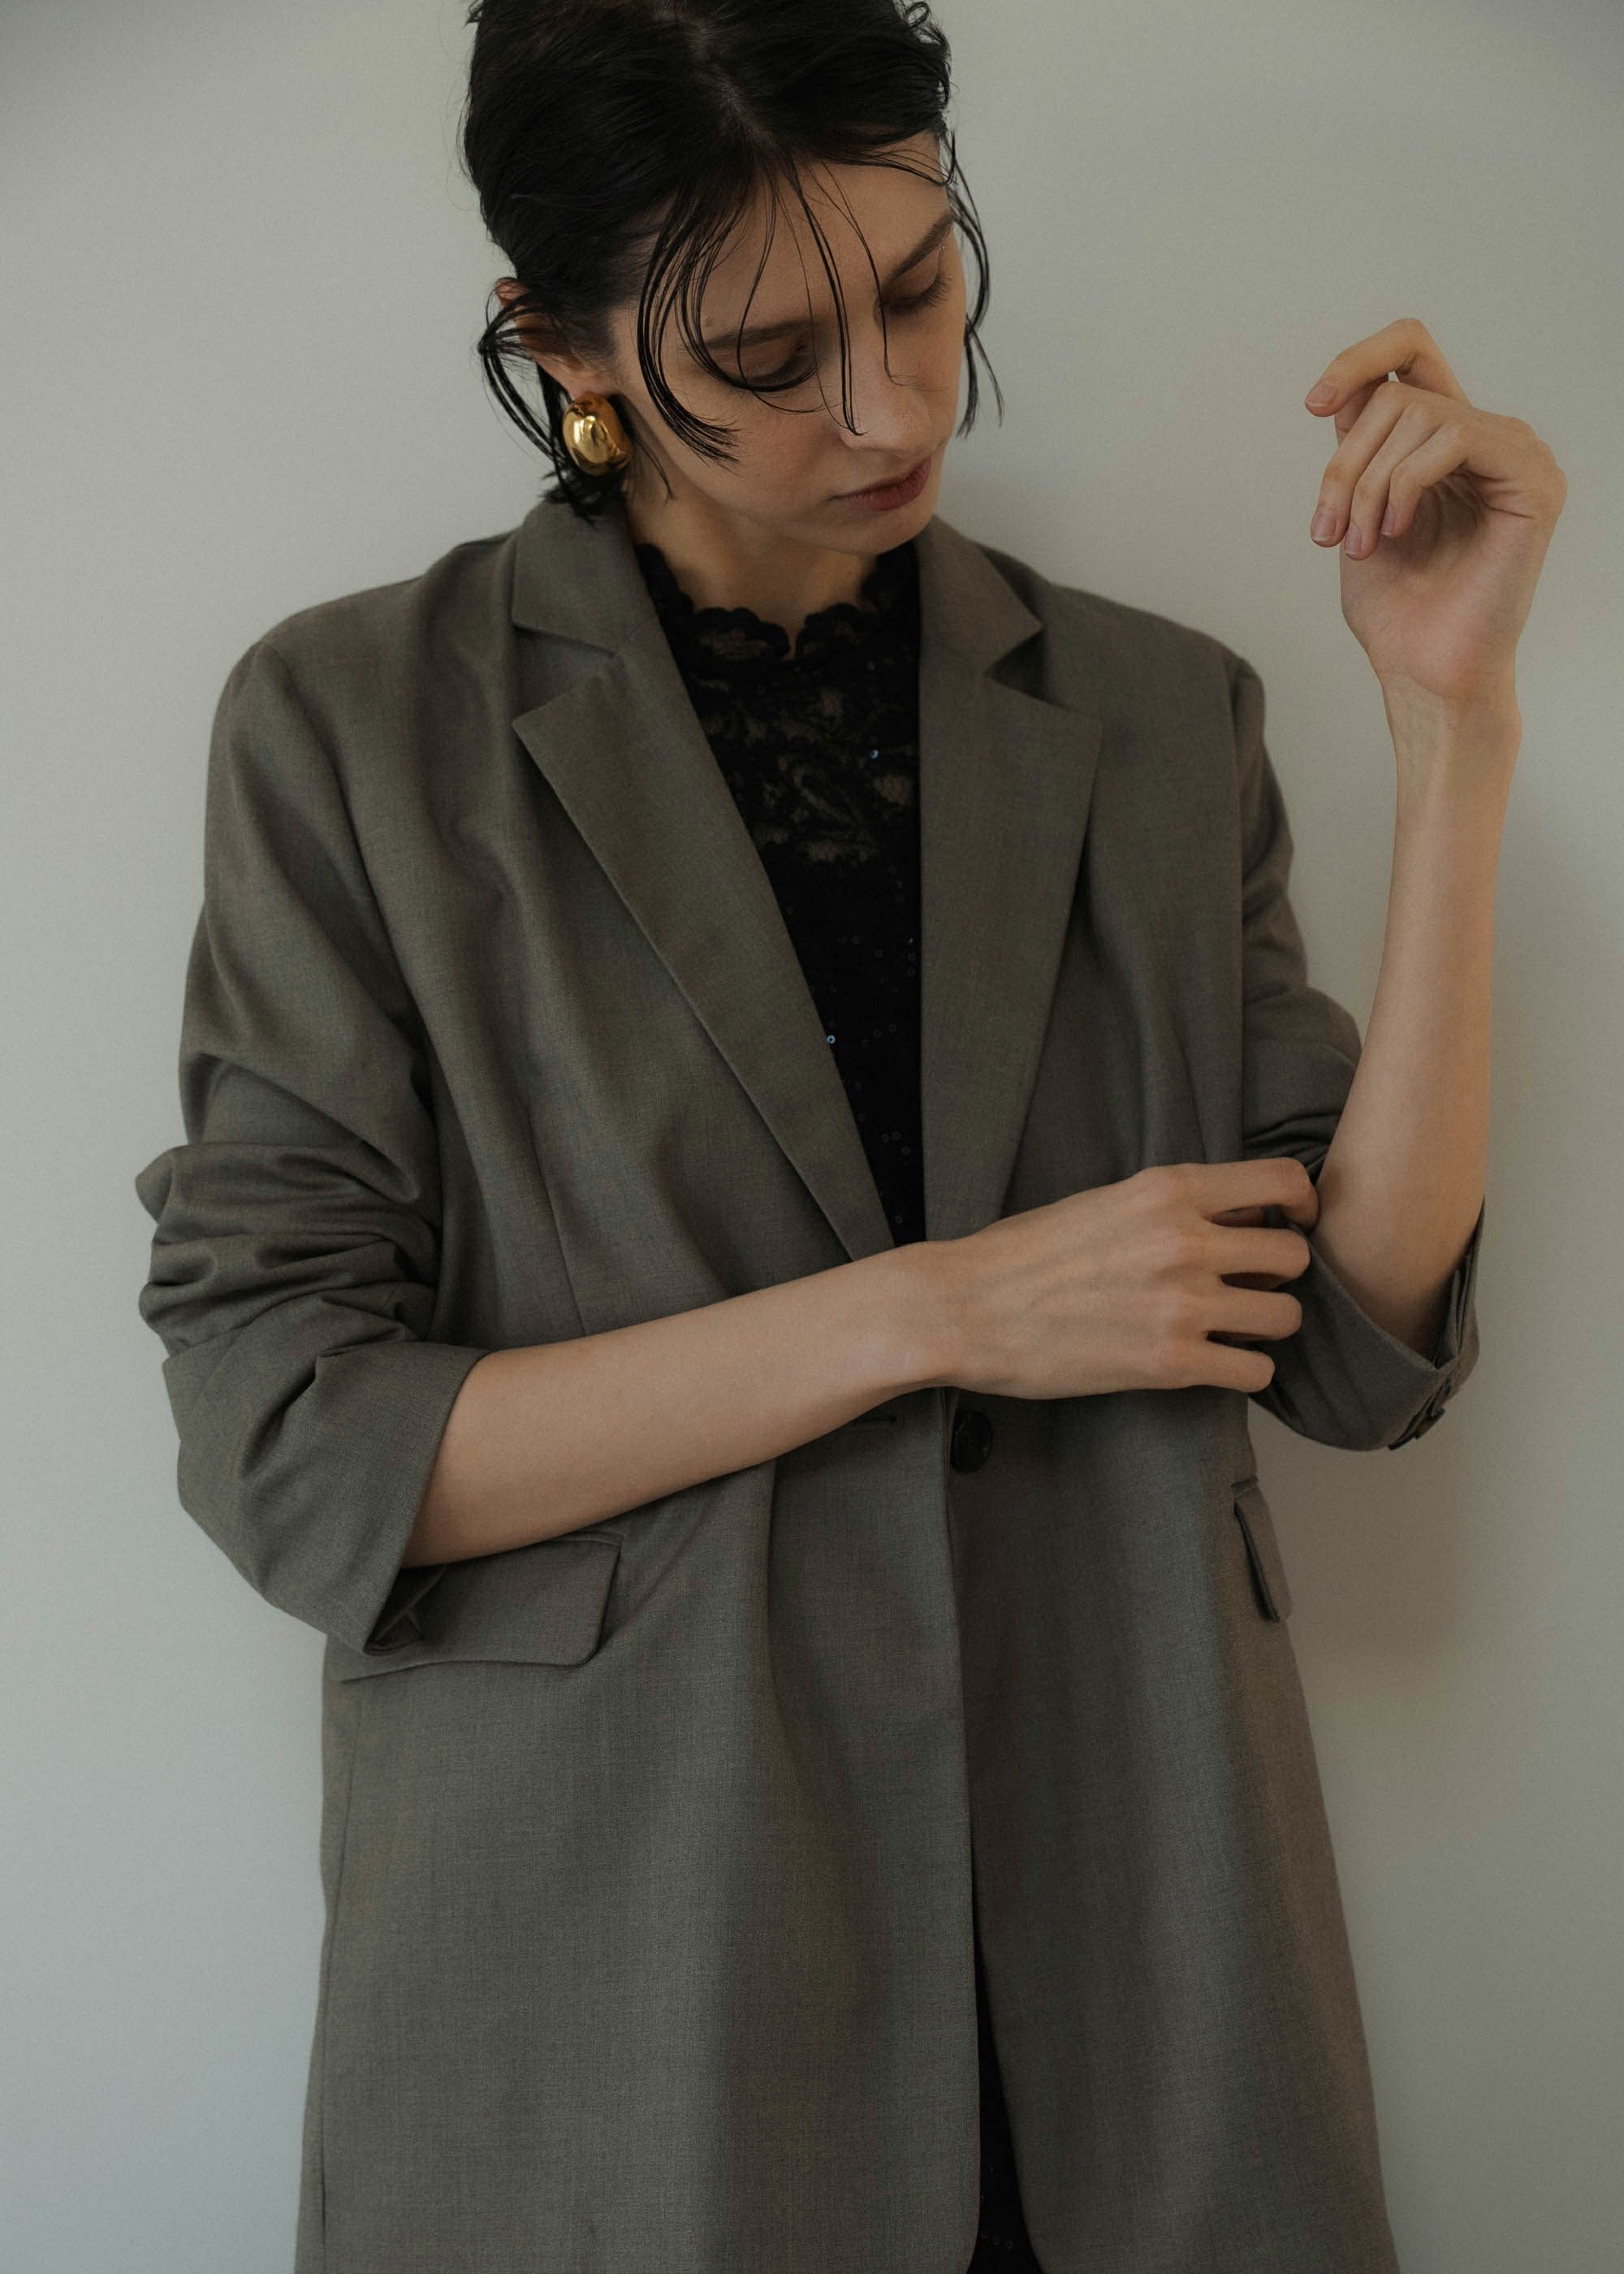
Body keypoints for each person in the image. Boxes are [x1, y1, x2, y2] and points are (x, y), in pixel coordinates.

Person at [133, 3, 1562, 2270]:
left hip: (1133, 1932)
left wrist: (1453, 725)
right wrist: (939, 1312)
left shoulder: (1155, 712)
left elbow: (1353, 1342)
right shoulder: (359, 731)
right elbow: (294, 1442)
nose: (894, 408)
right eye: (770, 358)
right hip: (629, 1978)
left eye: (916, 289)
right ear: (561, 344)